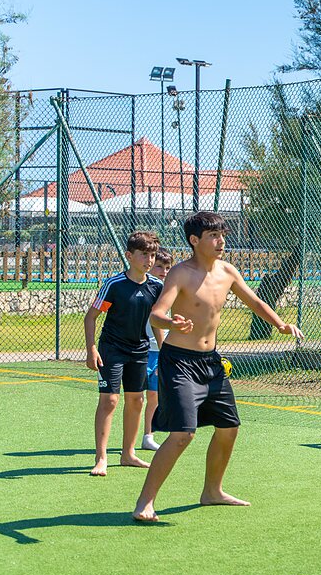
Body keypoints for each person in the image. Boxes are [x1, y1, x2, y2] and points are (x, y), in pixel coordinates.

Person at [132, 211, 302, 523]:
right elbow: (156, 314)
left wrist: (280, 324)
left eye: (222, 234)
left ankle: (212, 491)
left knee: (229, 427)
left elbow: (255, 302)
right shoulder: (180, 274)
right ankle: (145, 502)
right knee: (183, 434)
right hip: (179, 362)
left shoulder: (227, 272)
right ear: (195, 241)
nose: (220, 240)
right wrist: (171, 322)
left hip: (211, 362)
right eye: (213, 235)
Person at [84, 231, 164, 477]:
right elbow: (91, 317)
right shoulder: (114, 285)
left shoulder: (157, 286)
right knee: (109, 400)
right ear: (129, 256)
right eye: (143, 255)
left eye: (152, 255)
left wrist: (164, 354)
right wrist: (91, 350)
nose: (149, 260)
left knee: (136, 400)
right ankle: (101, 458)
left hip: (140, 351)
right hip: (112, 350)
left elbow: (157, 322)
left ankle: (128, 454)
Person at [139, 248, 174, 452]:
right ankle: (129, 442)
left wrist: (164, 351)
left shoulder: (166, 290)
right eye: (159, 266)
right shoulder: (145, 288)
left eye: (167, 267)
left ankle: (148, 435)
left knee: (154, 395)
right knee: (137, 397)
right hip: (141, 350)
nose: (163, 271)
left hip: (158, 351)